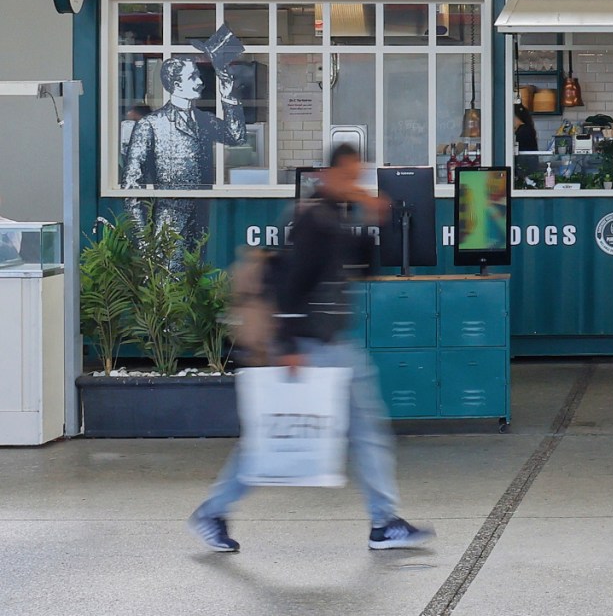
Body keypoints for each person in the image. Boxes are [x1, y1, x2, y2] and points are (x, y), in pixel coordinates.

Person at [188, 144, 435, 553]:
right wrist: (286, 345)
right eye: (349, 175)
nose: (355, 183)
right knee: (275, 439)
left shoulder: (334, 217)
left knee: (366, 430)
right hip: (309, 346)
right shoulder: (311, 219)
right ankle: (212, 511)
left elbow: (364, 268)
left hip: (334, 344)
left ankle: (384, 522)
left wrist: (375, 218)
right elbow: (290, 285)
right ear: (329, 174)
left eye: (359, 176)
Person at [122, 57, 246, 268]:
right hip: (168, 223)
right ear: (176, 85)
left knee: (196, 281)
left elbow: (236, 136)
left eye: (198, 75)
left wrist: (229, 98)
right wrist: (143, 239)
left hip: (202, 219)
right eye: (193, 77)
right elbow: (132, 185)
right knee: (169, 285)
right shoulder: (150, 124)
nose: (200, 82)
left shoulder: (204, 120)